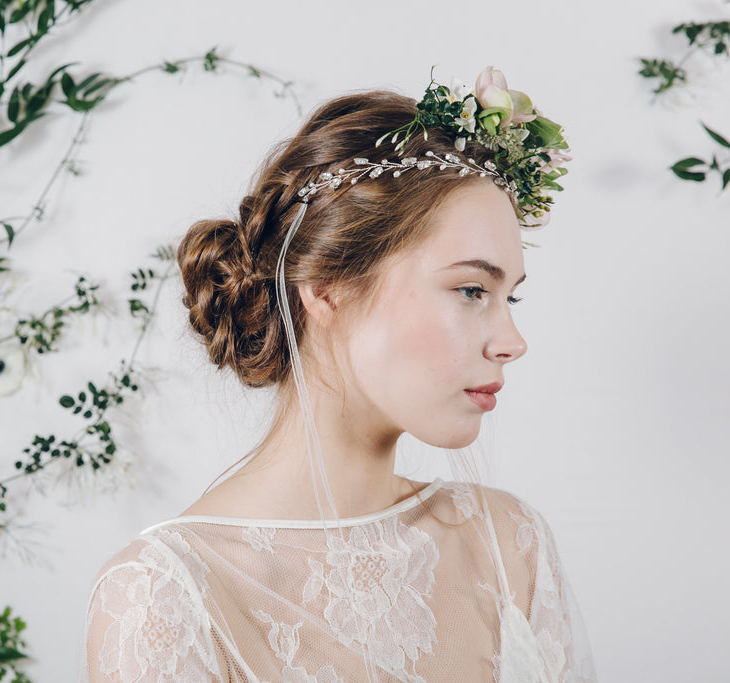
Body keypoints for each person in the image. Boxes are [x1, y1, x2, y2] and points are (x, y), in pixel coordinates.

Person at [85, 67, 594, 682]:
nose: (511, 343)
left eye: (508, 297)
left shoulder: (508, 542)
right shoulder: (167, 597)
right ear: (326, 290)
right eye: (469, 289)